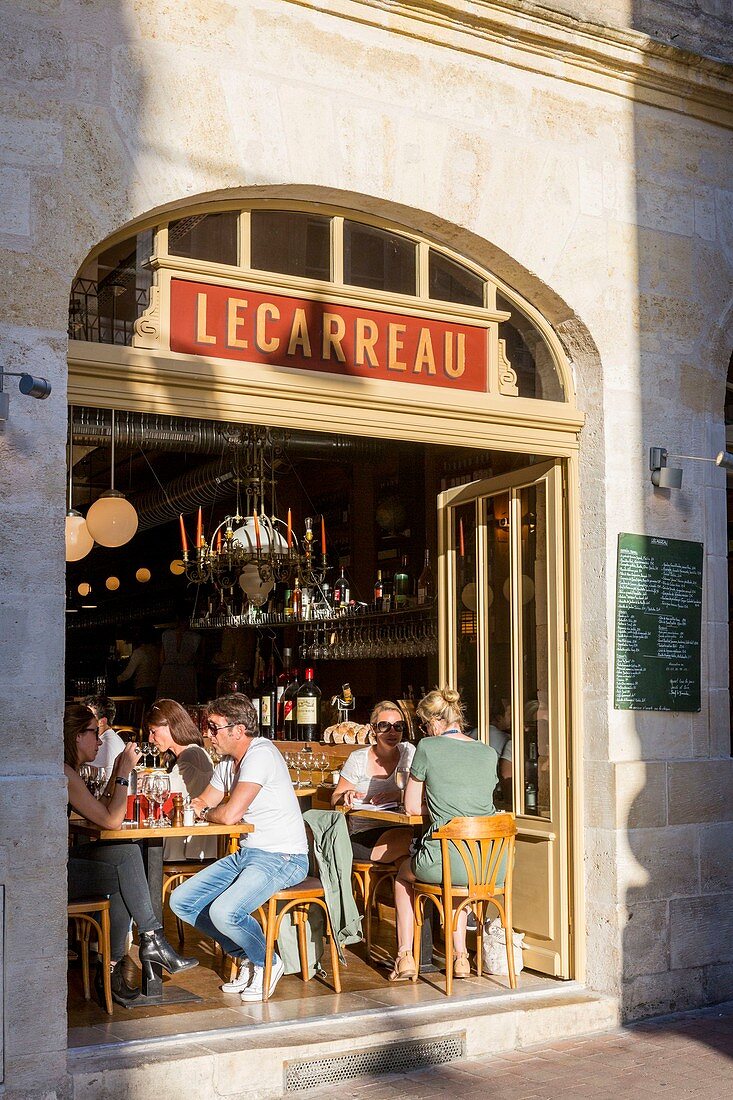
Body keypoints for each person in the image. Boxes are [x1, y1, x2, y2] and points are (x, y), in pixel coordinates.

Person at [169, 693, 309, 1002]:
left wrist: (205, 812)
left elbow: (228, 814)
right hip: (249, 854)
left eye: (214, 727)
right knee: (181, 901)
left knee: (224, 910)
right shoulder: (229, 763)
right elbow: (206, 800)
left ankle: (267, 961)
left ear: (238, 729)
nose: (208, 733)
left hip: (283, 856)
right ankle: (247, 954)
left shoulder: (261, 755)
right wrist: (203, 807)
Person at [65, 705, 198, 1006]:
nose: (99, 742)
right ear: (76, 737)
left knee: (126, 856)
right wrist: (124, 773)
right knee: (124, 870)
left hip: (62, 861)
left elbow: (98, 810)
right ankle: (143, 946)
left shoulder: (68, 772)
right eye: (94, 734)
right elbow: (111, 820)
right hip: (53, 872)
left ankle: (135, 951)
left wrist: (115, 774)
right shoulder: (65, 773)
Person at [389, 686, 498, 983]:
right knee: (454, 877)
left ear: (435, 722)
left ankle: (404, 956)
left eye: (425, 725)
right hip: (486, 864)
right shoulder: (488, 752)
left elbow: (410, 805)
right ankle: (461, 957)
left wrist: (437, 808)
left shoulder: (428, 746)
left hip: (446, 857)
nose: (426, 730)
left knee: (402, 875)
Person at [331, 700, 414, 864]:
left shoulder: (408, 752)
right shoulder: (358, 759)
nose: (392, 732)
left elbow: (421, 791)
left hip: (399, 827)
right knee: (413, 844)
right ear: (373, 729)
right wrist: (347, 795)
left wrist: (397, 795)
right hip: (364, 834)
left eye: (398, 726)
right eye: (384, 726)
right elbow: (335, 798)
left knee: (406, 860)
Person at [146, 698, 213, 798]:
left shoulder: (192, 754)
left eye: (153, 731)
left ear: (170, 726)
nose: (150, 739)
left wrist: (145, 779)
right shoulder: (189, 753)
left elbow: (165, 791)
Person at [157, 617, 201, 705]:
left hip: (169, 670)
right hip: (186, 671)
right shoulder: (196, 637)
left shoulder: (166, 635)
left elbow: (161, 658)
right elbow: (198, 659)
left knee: (167, 703)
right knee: (186, 702)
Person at [116, 627, 160, 709]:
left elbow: (127, 674)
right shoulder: (157, 651)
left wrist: (117, 680)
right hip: (155, 688)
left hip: (142, 689)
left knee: (141, 715)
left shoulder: (139, 652)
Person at [83, 694, 126, 772]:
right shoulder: (110, 737)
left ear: (102, 722)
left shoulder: (105, 744)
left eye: (89, 716)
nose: (82, 719)